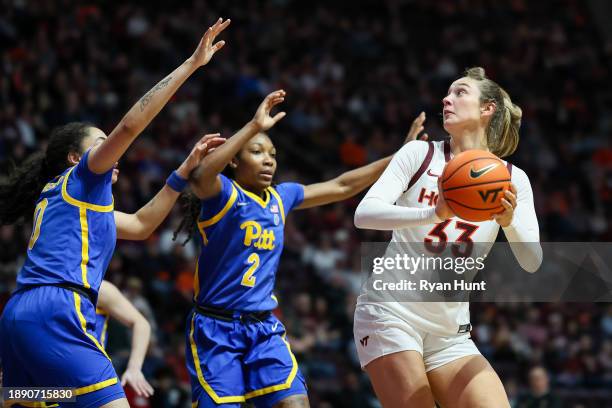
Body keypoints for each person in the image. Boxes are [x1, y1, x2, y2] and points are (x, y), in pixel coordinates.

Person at [0, 18, 229, 408]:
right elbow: (129, 126)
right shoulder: (82, 177)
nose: (110, 150)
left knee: (35, 399)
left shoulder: (68, 203)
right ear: (77, 157)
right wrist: (191, 65)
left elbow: (141, 225)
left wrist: (181, 173)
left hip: (19, 316)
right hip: (59, 311)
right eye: (100, 144)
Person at [174, 90, 424, 407]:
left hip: (263, 326)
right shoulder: (222, 195)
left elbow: (342, 186)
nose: (268, 160)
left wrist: (399, 156)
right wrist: (253, 126)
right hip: (215, 329)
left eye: (273, 154)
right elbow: (199, 174)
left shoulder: (282, 196)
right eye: (257, 152)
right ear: (235, 159)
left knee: (296, 403)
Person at [353, 67, 543, 408]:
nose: (446, 98)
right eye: (447, 93)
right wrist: (433, 213)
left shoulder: (513, 179)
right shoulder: (419, 155)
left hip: (449, 331)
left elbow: (533, 262)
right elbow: (364, 214)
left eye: (460, 92)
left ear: (487, 109)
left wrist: (510, 222)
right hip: (391, 312)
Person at [95, 280, 154, 399]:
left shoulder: (101, 288)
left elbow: (141, 323)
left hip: (93, 375)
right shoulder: (47, 284)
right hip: (53, 381)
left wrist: (134, 368)